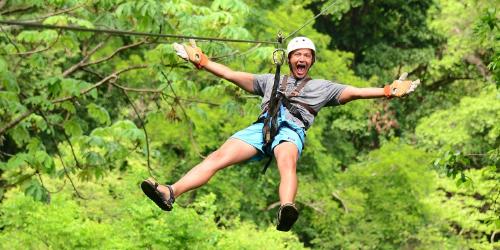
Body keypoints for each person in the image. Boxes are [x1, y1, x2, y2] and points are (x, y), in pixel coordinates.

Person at [141, 37, 420, 231]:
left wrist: (386, 91)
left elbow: (357, 92)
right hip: (262, 129)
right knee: (217, 157)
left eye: (306, 56)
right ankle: (170, 192)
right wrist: (201, 60)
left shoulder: (324, 87)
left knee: (287, 161)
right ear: (289, 60)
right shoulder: (269, 81)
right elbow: (230, 74)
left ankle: (287, 207)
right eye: (297, 55)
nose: (301, 58)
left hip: (291, 130)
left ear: (311, 62)